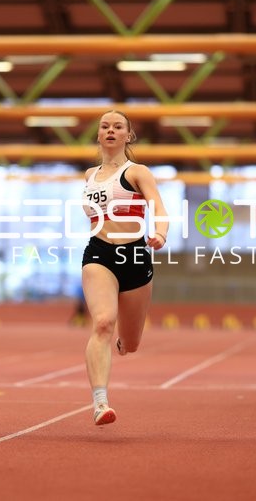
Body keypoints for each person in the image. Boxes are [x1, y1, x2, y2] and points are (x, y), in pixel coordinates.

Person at [81, 110, 168, 426]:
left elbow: (158, 205)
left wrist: (160, 233)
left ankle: (124, 342)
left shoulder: (137, 172)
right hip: (99, 254)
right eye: (105, 126)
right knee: (103, 322)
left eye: (118, 127)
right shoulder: (90, 175)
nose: (110, 131)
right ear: (99, 134)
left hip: (135, 256)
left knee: (131, 344)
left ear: (128, 136)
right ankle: (100, 402)